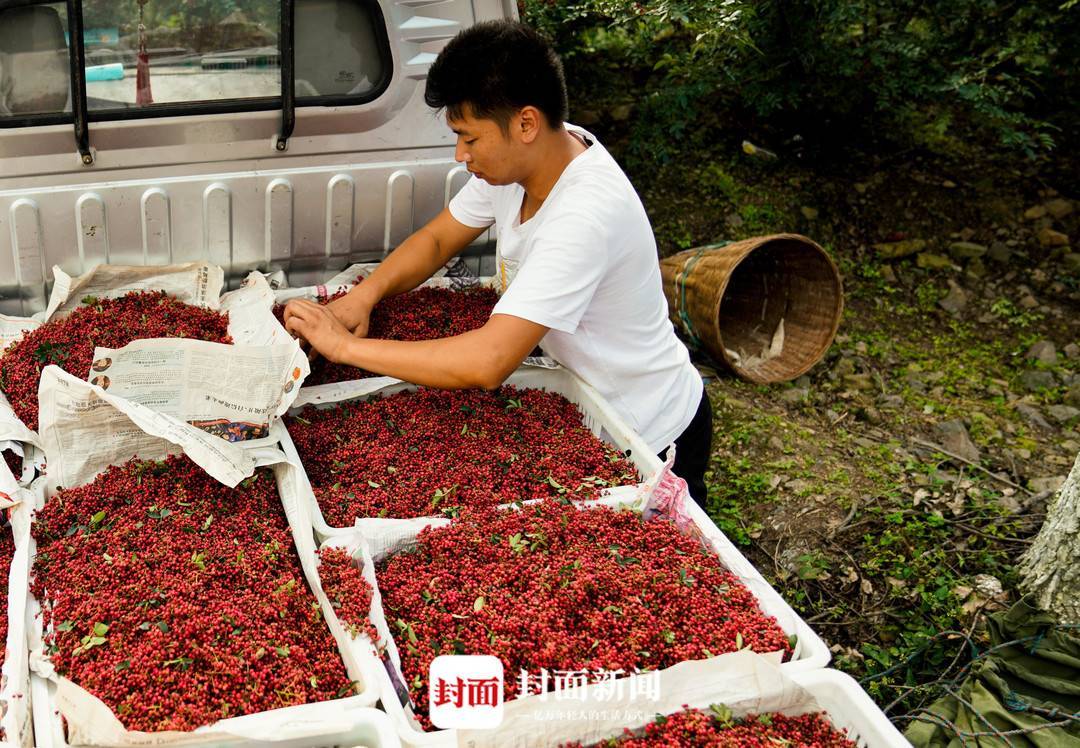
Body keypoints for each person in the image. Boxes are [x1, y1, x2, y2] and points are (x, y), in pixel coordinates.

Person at [283, 20, 712, 506]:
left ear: (526, 124)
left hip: (647, 427)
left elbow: (488, 361)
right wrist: (364, 295)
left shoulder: (583, 215)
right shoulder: (531, 158)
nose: (459, 154)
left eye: (468, 137)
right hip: (577, 396)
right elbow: (439, 239)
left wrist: (343, 348)